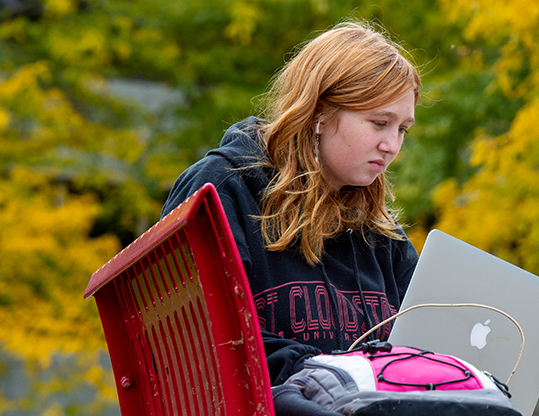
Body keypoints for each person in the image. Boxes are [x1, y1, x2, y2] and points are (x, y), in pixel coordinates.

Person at [161, 21, 421, 386]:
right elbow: (199, 343)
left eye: (402, 130)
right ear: (318, 114)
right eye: (379, 123)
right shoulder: (222, 189)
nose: (392, 145)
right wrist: (337, 375)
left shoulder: (380, 232)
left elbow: (428, 351)